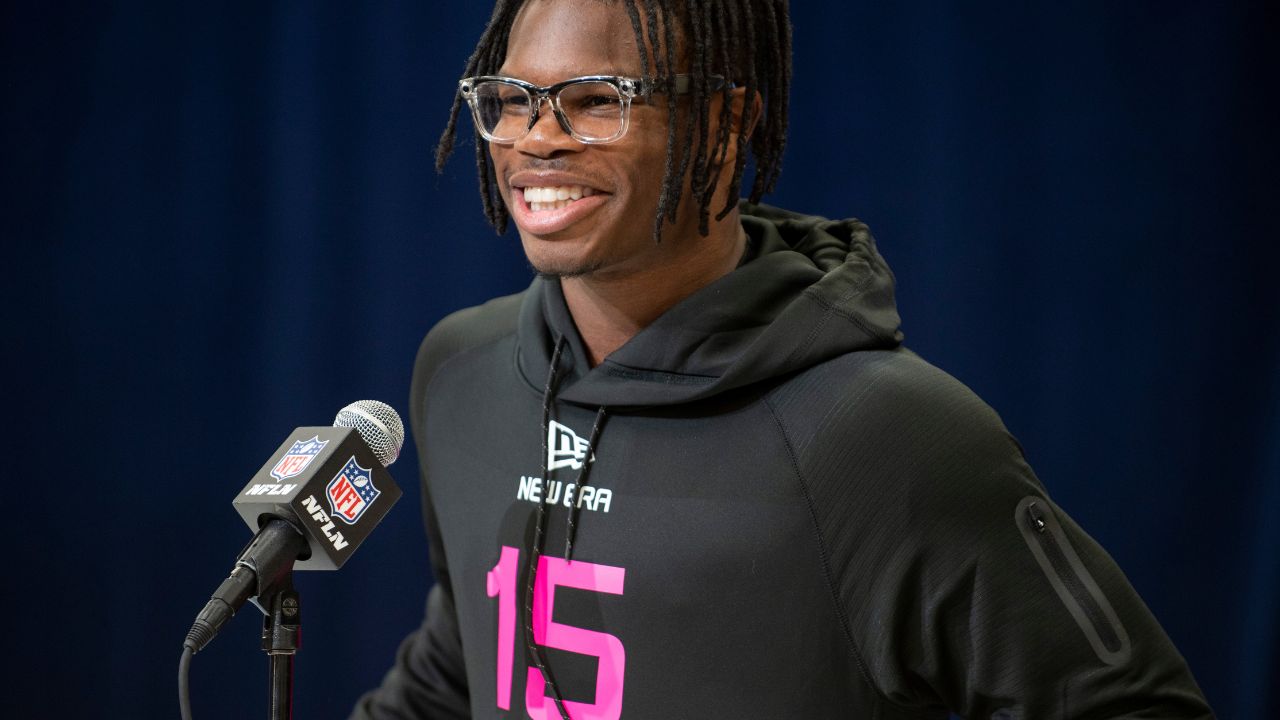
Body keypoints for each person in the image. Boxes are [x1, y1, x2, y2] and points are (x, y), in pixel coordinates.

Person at [353, 1, 1215, 717]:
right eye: (510, 98)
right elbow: (455, 670)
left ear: (725, 126)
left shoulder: (886, 435)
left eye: (593, 98)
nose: (535, 138)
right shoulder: (462, 369)